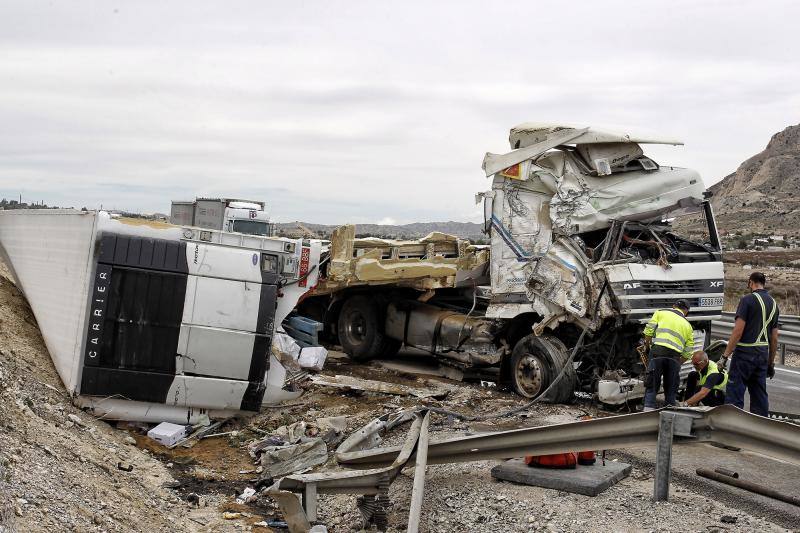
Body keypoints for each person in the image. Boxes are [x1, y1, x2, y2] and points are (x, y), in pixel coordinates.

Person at [720, 272, 779, 416]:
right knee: (759, 396)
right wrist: (770, 364)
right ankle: (760, 430)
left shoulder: (747, 300)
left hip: (745, 354)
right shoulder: (774, 304)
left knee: (735, 394)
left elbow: (738, 331)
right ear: (763, 283)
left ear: (751, 282)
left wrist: (725, 356)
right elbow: (775, 338)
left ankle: (732, 429)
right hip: (762, 355)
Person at [642, 299, 694, 410]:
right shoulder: (688, 326)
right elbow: (688, 352)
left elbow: (648, 331)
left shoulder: (660, 313)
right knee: (671, 391)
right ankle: (670, 417)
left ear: (673, 306)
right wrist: (678, 362)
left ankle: (646, 414)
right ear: (686, 312)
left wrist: (647, 346)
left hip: (657, 354)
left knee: (652, 386)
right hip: (674, 358)